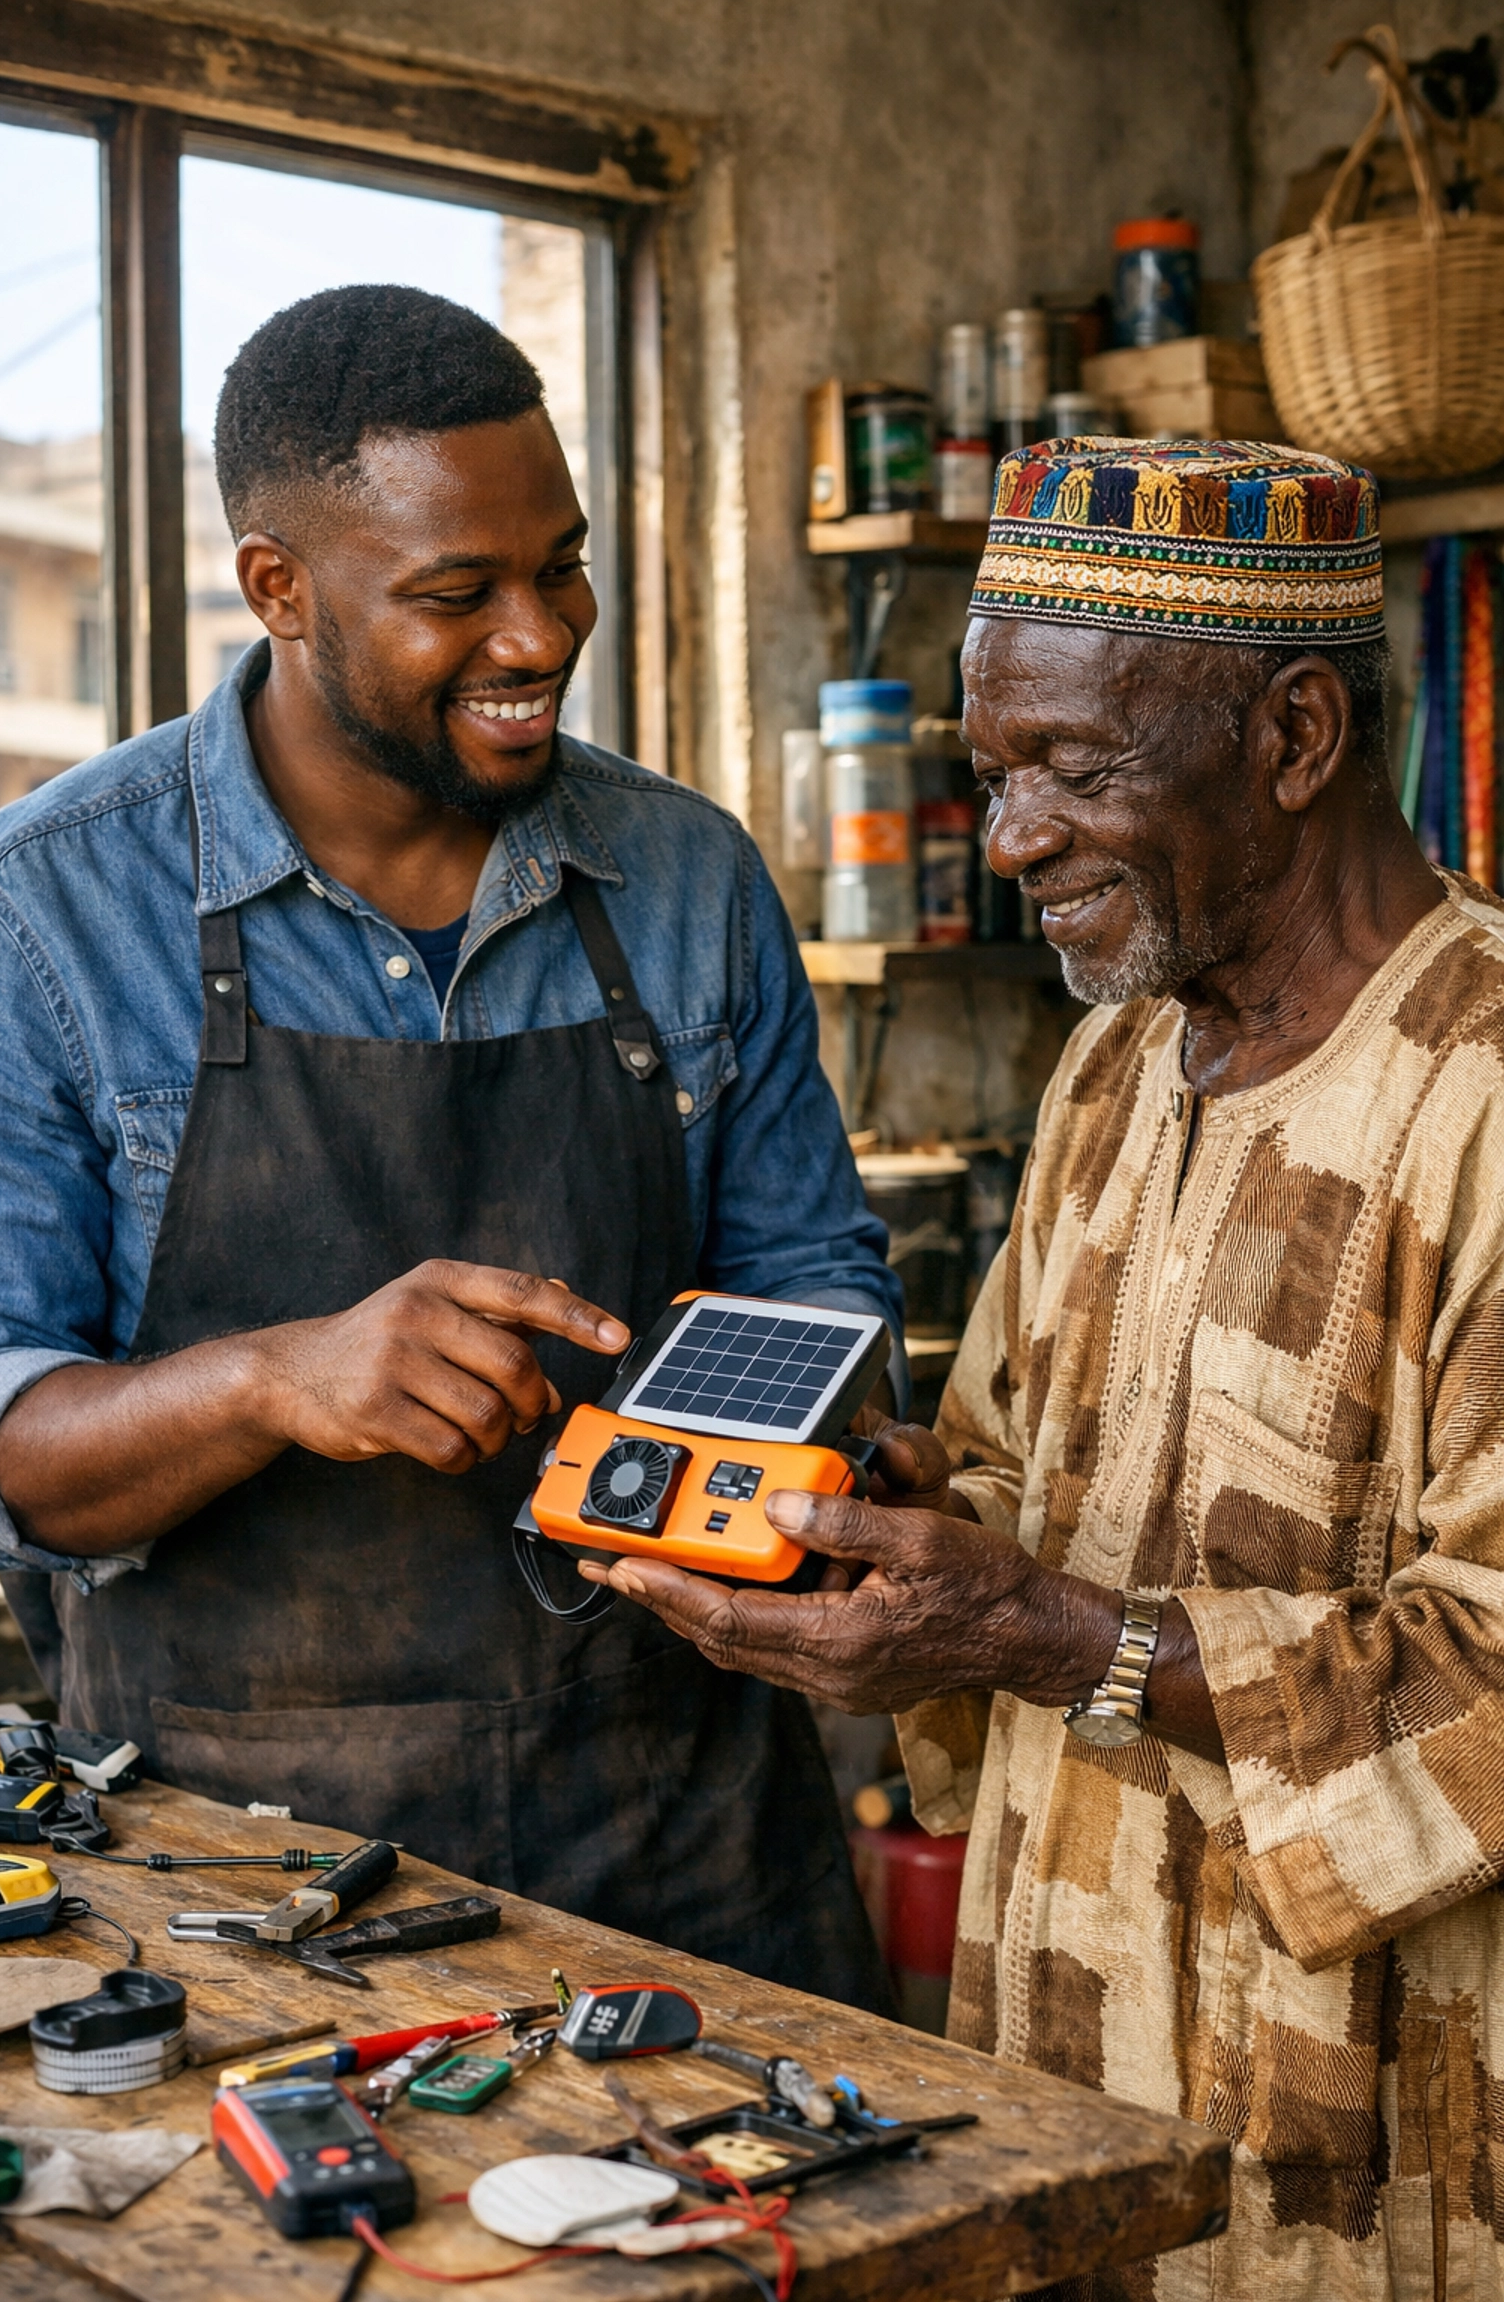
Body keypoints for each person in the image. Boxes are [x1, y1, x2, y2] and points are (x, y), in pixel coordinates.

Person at [583, 438, 1504, 2295]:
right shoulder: (1117, 1061)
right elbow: (1020, 1468)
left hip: (1385, 2126)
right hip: (1072, 2057)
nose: (1009, 844)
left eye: (1074, 771)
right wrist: (904, 1524)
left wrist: (1050, 1638)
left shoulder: (1479, 1091)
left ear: (1298, 738)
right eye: (993, 775)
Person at [0, 285, 899, 2007]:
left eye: (564, 565)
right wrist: (272, 1379)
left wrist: (819, 1457)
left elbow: (816, 1285)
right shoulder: (44, 918)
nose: (541, 634)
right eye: (458, 594)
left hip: (682, 1836)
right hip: (255, 1886)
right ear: (280, 590)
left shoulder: (685, 882)